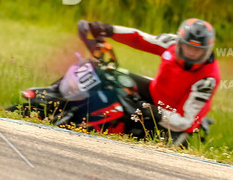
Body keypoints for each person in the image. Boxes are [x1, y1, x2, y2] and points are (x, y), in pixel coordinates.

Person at [80, 18, 220, 145]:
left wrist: (155, 113)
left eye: (197, 50)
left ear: (207, 51)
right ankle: (81, 110)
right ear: (179, 42)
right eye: (188, 47)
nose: (191, 53)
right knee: (111, 76)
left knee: (155, 149)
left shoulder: (208, 79)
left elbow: (185, 121)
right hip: (155, 93)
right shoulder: (171, 43)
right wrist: (109, 30)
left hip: (174, 122)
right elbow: (139, 39)